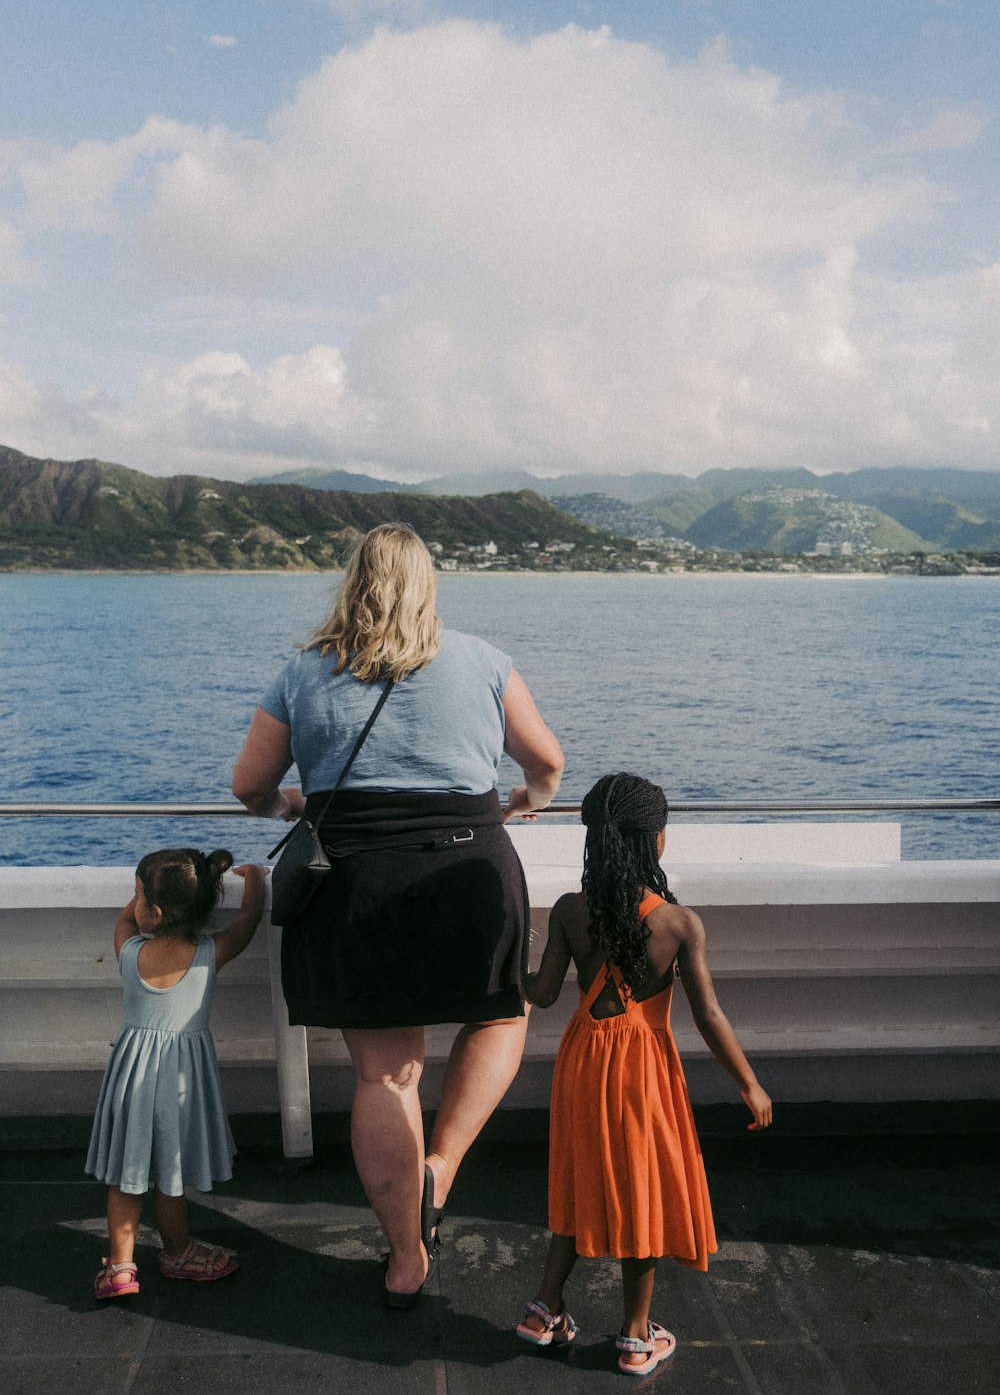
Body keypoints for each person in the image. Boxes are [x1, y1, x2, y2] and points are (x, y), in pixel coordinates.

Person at [232, 522, 563, 1307]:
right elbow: (546, 762)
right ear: (428, 584)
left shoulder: (305, 672)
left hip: (356, 877)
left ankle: (407, 1258)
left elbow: (249, 784)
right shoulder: (483, 660)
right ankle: (441, 1166)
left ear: (353, 582)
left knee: (385, 1073)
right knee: (502, 1010)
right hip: (469, 868)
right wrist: (528, 802)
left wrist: (286, 803)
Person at [517, 772, 771, 1376]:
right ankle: (634, 1337)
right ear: (654, 840)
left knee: (582, 1180)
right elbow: (708, 1015)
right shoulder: (680, 924)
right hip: (643, 1069)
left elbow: (543, 993)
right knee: (643, 1192)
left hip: (582, 1059)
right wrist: (749, 1082)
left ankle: (541, 1311)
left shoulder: (571, 912)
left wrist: (509, 956)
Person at [86, 849, 266, 1298]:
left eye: (139, 895)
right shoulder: (209, 953)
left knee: (125, 1176)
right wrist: (257, 882)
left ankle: (121, 1269)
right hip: (178, 1088)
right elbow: (247, 922)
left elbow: (125, 923)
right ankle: (178, 1252)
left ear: (158, 912)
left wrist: (139, 901)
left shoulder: (131, 953)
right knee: (170, 1178)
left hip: (131, 1082)